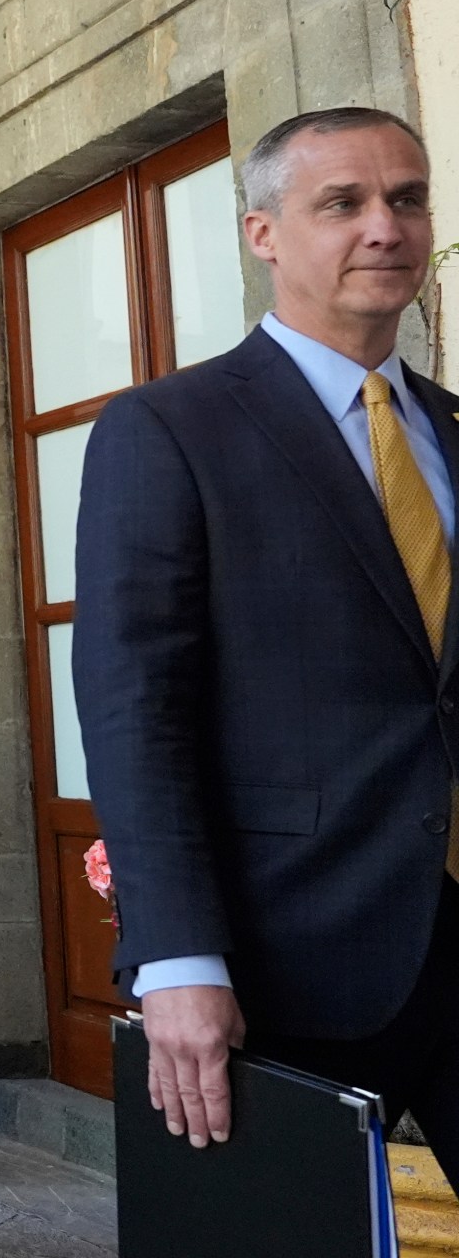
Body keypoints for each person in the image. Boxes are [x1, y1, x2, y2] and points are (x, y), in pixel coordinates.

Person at [77, 106, 459, 1180]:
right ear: (262, 234)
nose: (384, 227)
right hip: (286, 968)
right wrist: (176, 960)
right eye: (341, 202)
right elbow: (133, 712)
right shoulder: (167, 431)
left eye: (407, 198)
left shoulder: (450, 431)